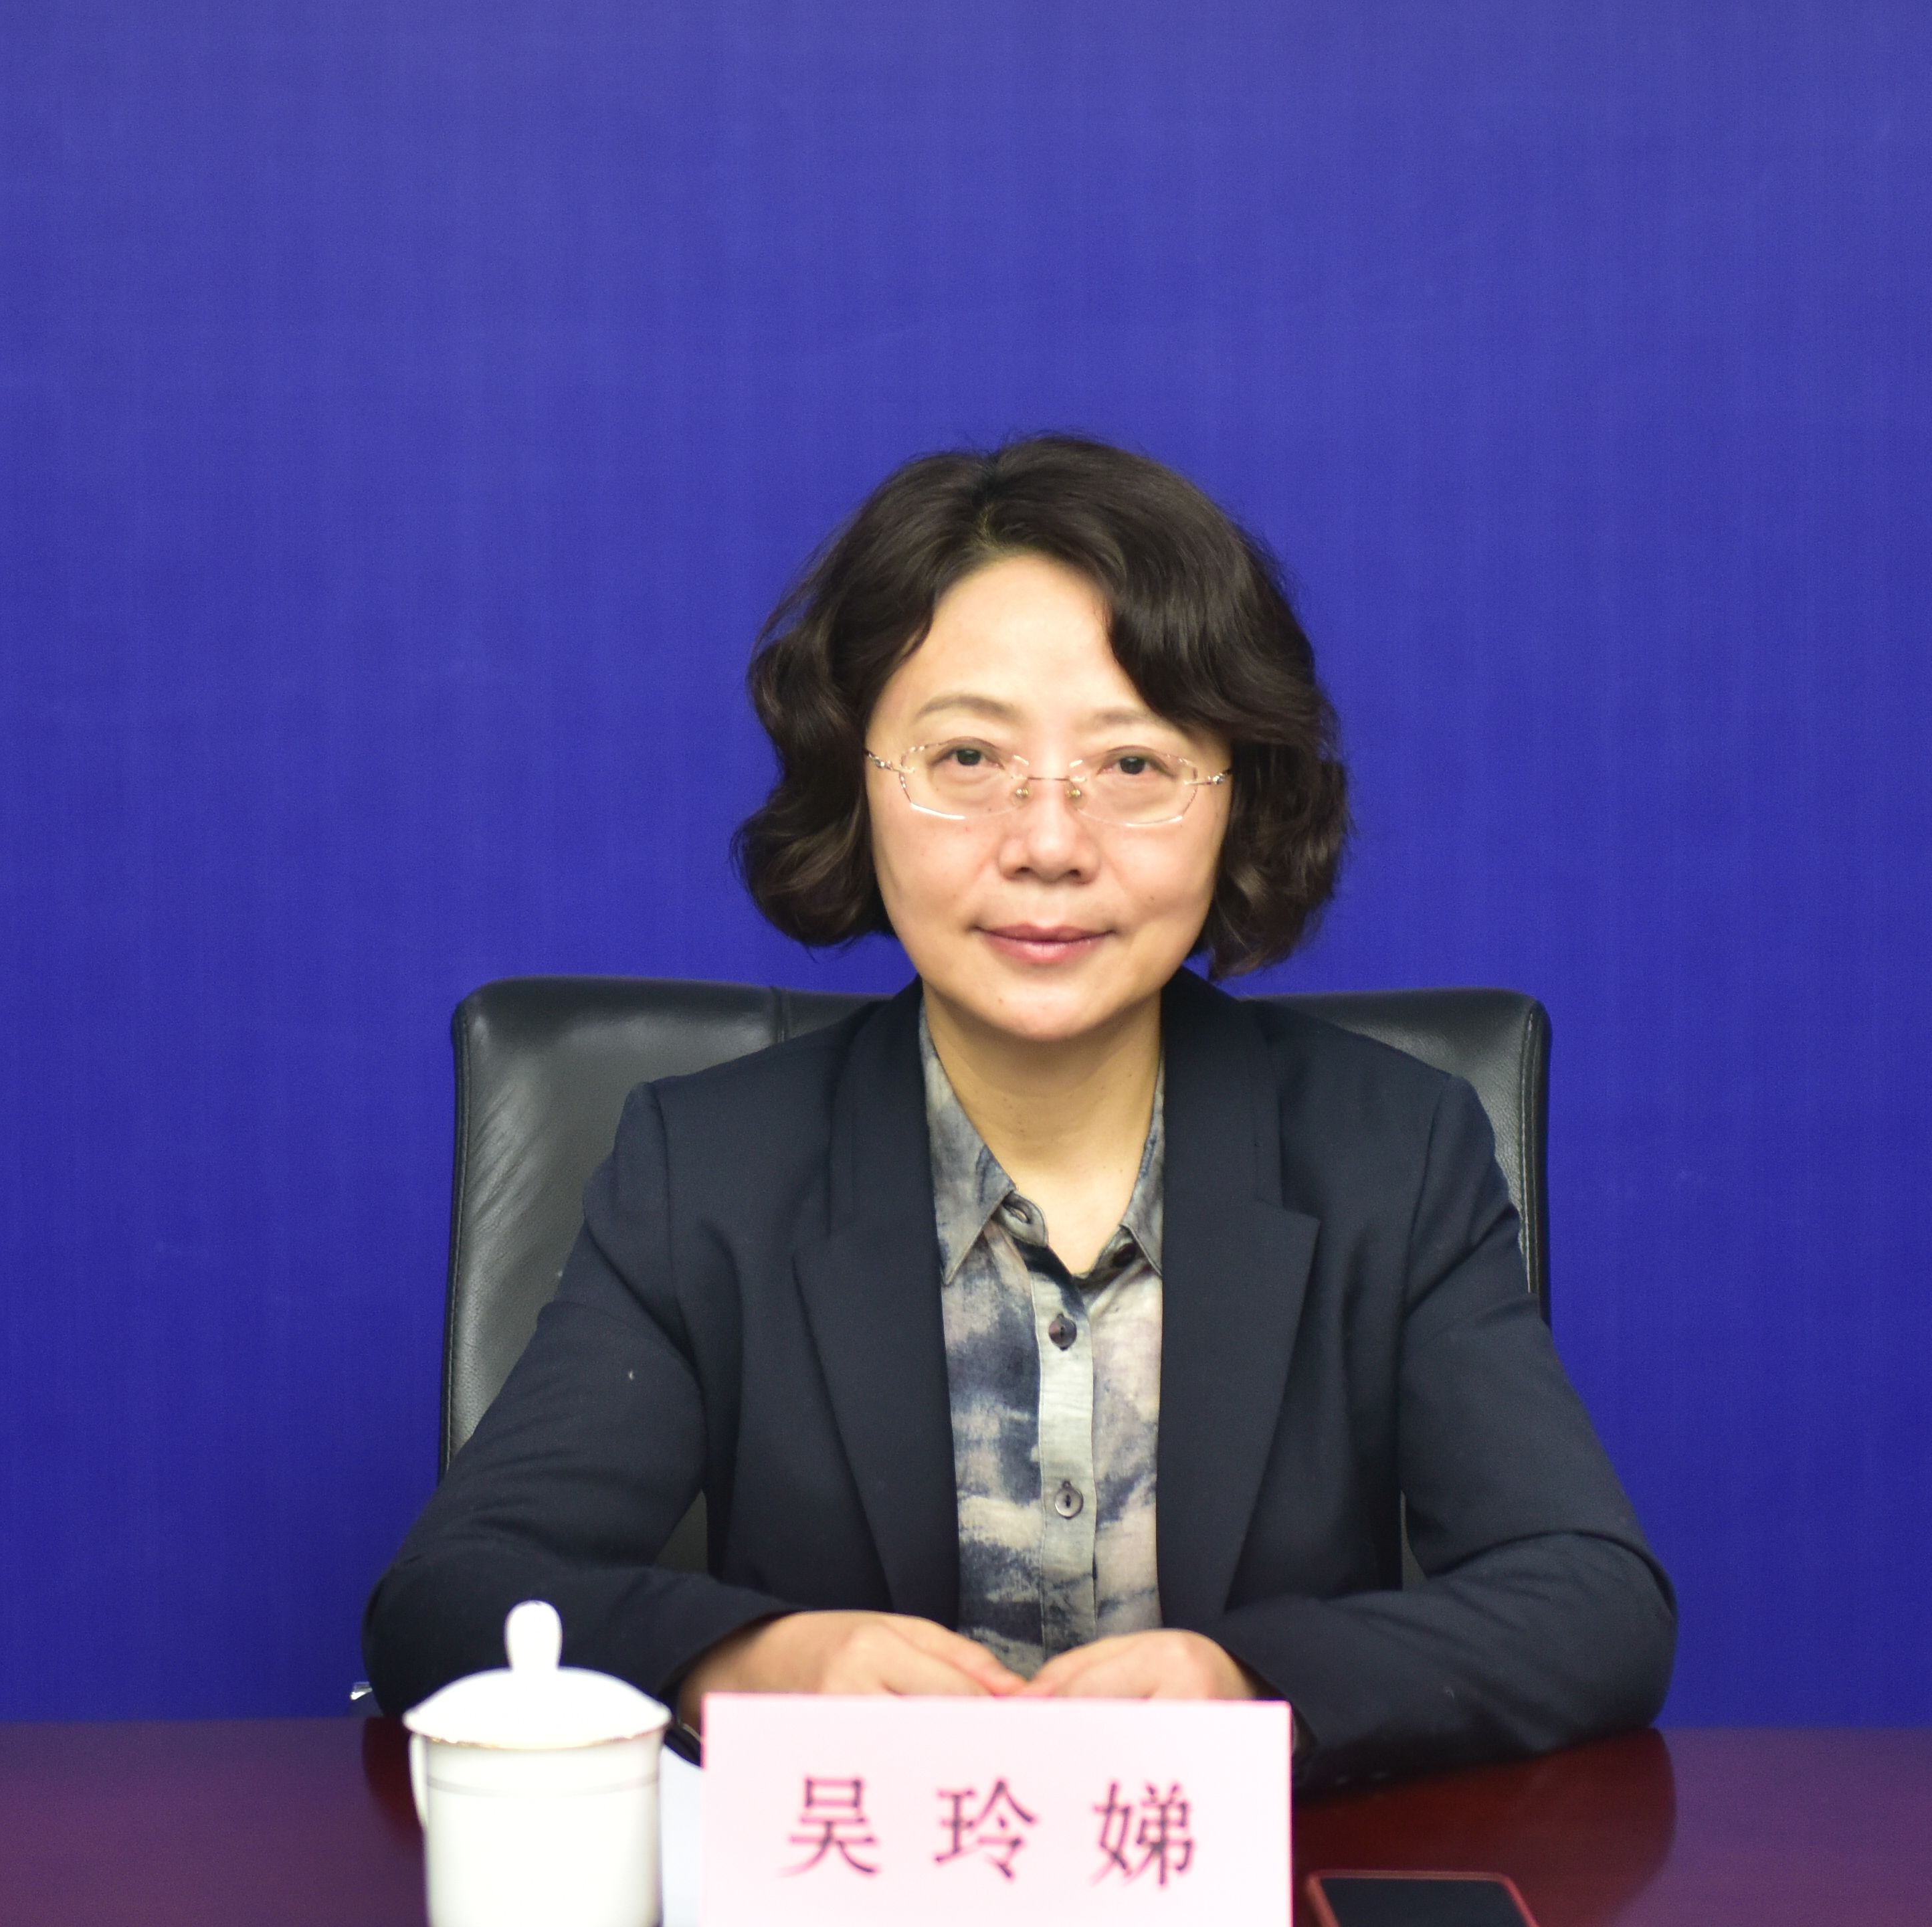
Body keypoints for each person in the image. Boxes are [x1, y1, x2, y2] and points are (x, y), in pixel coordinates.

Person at [363, 436, 1673, 1792]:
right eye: (969, 756)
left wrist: (1255, 1686)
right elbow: (447, 1598)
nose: (1048, 843)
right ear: (857, 778)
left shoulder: (1393, 1152)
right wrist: (749, 1662)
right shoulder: (708, 1169)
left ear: (1240, 800)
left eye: (1134, 765)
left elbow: (1596, 1604)